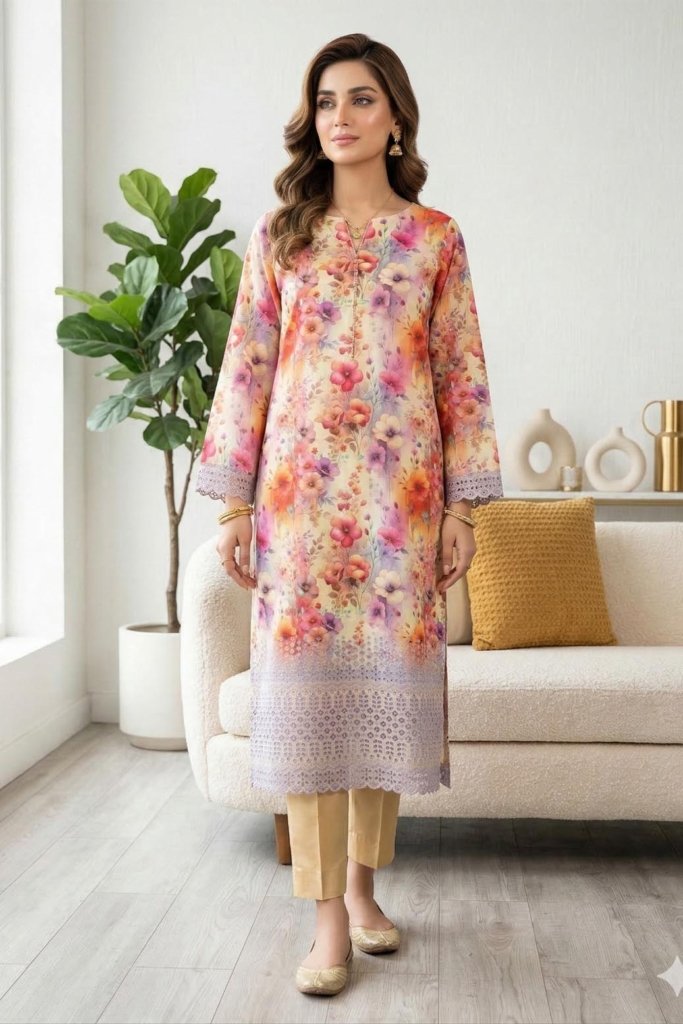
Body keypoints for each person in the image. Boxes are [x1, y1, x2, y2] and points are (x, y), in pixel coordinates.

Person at [195, 32, 503, 996]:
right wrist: (234, 504)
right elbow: (245, 369)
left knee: (379, 702)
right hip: (298, 509)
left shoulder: (435, 238)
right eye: (326, 101)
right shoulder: (280, 236)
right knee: (308, 706)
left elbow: (460, 376)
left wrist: (462, 508)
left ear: (395, 116)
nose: (341, 117)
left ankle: (365, 890)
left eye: (361, 99)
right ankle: (326, 917)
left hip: (401, 510)